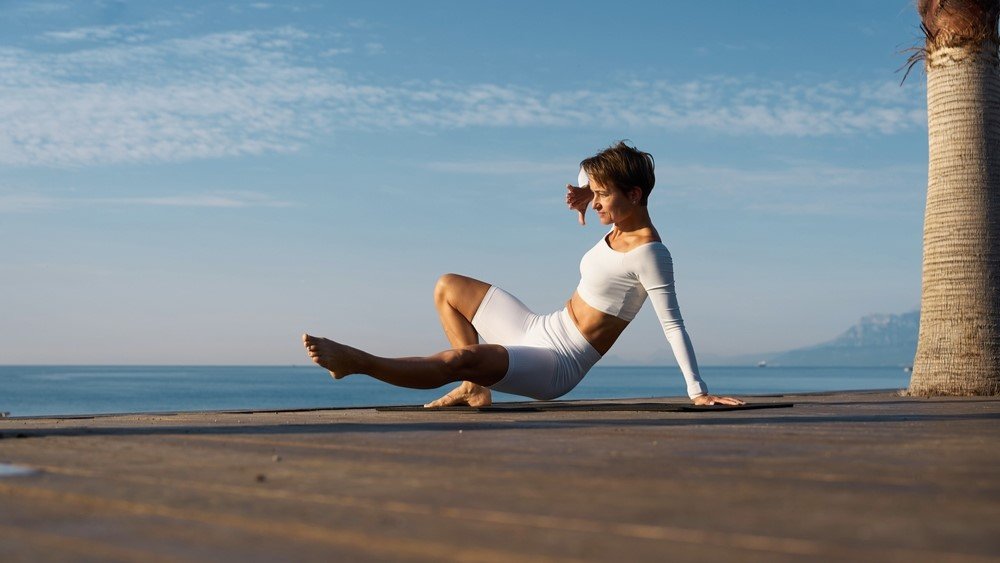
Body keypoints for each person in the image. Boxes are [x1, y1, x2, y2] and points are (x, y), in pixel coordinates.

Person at [303, 141, 744, 407]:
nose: (595, 203)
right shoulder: (616, 218)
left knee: (463, 358)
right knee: (448, 286)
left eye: (601, 196)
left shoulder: (651, 253)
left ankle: (357, 362)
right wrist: (583, 193)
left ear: (635, 194)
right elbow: (587, 175)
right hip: (539, 326)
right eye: (593, 194)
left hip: (558, 363)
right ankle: (474, 391)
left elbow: (673, 324)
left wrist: (697, 391)